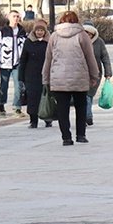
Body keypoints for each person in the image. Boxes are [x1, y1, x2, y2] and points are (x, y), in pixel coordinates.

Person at [43, 11, 100, 146]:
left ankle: (66, 137)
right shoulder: (82, 35)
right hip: (79, 77)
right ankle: (81, 135)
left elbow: (48, 58)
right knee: (81, 106)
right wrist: (94, 75)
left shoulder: (54, 36)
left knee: (63, 108)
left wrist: (45, 78)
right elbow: (90, 57)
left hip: (59, 78)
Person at [0, 10, 27, 116]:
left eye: (17, 16)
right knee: (4, 85)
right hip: (5, 62)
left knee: (19, 85)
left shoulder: (22, 31)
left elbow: (25, 47)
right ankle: (1, 104)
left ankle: (17, 107)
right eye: (14, 16)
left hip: (18, 63)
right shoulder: (2, 31)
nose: (16, 18)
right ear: (8, 17)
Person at [17, 20, 51, 128]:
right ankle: (33, 120)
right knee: (32, 99)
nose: (39, 32)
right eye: (38, 30)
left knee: (46, 97)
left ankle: (47, 118)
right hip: (31, 75)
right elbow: (23, 60)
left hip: (45, 74)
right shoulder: (28, 42)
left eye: (41, 30)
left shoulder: (49, 42)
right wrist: (21, 77)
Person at [79, 22, 112, 126]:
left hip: (95, 73)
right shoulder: (78, 41)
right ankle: (86, 116)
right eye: (85, 33)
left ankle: (86, 116)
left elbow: (105, 57)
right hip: (80, 73)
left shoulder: (99, 42)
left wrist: (108, 72)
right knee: (85, 96)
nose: (87, 35)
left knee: (89, 95)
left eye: (89, 33)